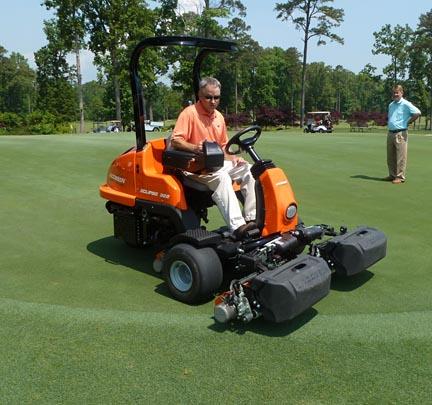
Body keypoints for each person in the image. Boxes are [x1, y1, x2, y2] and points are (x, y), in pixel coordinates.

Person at [171, 77, 257, 239]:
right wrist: (194, 147)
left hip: (215, 163)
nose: (212, 101)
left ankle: (252, 218)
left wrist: (233, 158)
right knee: (222, 177)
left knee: (250, 170)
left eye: (216, 97)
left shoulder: (218, 117)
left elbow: (224, 146)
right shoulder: (189, 113)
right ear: (199, 95)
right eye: (208, 97)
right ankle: (238, 227)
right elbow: (176, 140)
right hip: (193, 167)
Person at [386, 85, 421, 184]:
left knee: (401, 156)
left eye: (397, 92)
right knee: (390, 156)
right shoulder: (391, 104)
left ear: (402, 93)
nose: (395, 94)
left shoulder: (406, 104)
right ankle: (392, 175)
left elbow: (417, 113)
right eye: (394, 92)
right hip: (391, 132)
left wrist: (408, 122)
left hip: (400, 132)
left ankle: (400, 177)